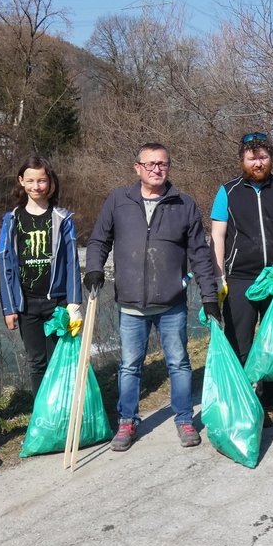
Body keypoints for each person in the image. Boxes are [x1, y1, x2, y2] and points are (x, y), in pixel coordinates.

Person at [83, 143, 219, 452]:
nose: (156, 169)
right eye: (150, 164)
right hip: (130, 304)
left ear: (169, 167)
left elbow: (199, 254)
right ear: (137, 168)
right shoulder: (119, 200)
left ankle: (184, 419)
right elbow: (98, 240)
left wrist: (209, 296)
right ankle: (127, 421)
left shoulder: (183, 204)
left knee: (179, 363)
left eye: (162, 164)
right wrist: (94, 269)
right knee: (130, 366)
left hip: (171, 303)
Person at [211, 132, 273, 427]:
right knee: (240, 341)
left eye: (263, 156)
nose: (258, 162)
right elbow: (217, 235)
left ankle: (268, 400)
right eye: (252, 158)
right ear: (242, 160)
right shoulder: (228, 191)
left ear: (271, 158)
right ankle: (240, 397)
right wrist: (218, 276)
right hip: (239, 277)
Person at [0, 156, 82, 397]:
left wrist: (74, 303)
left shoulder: (63, 218)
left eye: (42, 180)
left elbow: (72, 262)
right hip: (26, 304)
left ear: (50, 182)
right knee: (36, 363)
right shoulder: (12, 219)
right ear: (21, 182)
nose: (36, 186)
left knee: (58, 361)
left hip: (57, 303)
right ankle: (40, 415)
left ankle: (59, 408)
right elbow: (4, 262)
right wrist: (9, 308)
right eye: (31, 180)